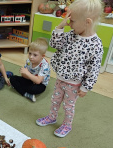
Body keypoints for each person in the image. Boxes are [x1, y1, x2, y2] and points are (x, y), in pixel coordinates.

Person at [36, 0, 104, 138]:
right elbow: (55, 43)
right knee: (55, 100)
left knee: (68, 106)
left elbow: (94, 68)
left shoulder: (95, 45)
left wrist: (86, 87)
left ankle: (67, 125)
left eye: (72, 20)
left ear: (87, 22)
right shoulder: (71, 34)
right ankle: (52, 117)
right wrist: (60, 27)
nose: (69, 23)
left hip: (74, 83)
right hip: (61, 78)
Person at [10, 37, 50, 102]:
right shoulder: (29, 61)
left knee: (33, 89)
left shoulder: (44, 65)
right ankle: (26, 94)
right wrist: (26, 74)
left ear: (42, 56)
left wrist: (27, 73)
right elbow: (23, 75)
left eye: (35, 55)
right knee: (12, 78)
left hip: (40, 84)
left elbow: (38, 81)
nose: (31, 57)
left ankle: (20, 88)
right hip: (30, 79)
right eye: (30, 53)